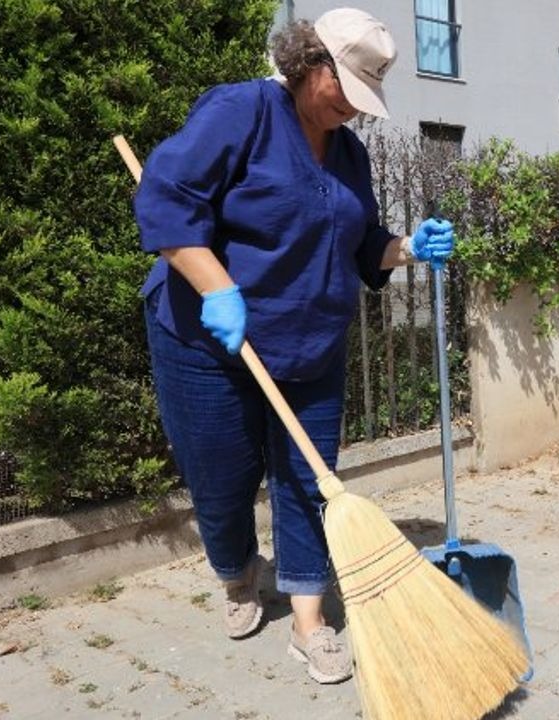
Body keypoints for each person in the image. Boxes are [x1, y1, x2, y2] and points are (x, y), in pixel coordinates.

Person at [132, 9, 454, 683]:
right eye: (344, 87)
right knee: (220, 483)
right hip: (206, 341)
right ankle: (239, 575)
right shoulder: (240, 113)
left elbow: (363, 242)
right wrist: (218, 288)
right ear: (310, 63)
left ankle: (310, 621)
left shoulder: (349, 152)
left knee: (309, 484)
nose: (351, 107)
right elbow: (167, 203)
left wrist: (405, 248)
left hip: (311, 342)